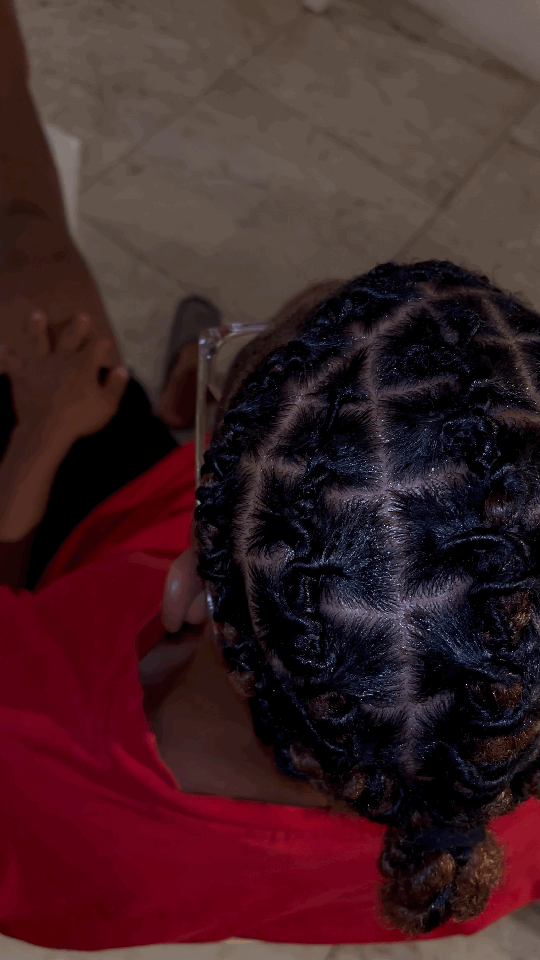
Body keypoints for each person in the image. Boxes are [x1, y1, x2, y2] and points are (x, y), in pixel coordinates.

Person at [3, 0, 540, 952]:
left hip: (57, 536)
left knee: (27, 247)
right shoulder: (481, 823)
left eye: (246, 365)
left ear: (187, 588)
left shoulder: (28, 757)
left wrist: (36, 448)